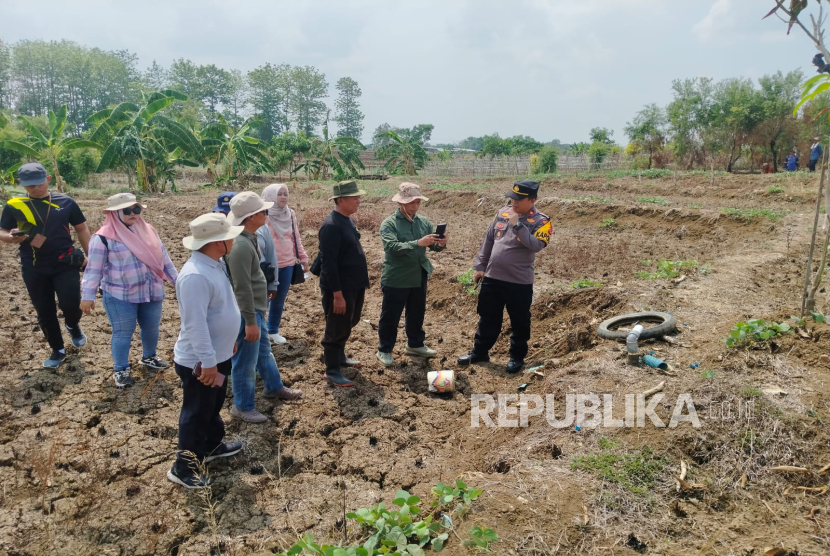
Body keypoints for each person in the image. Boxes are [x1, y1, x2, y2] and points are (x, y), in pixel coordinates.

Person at [168, 213, 244, 489]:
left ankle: (211, 447)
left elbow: (220, 310)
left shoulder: (215, 264)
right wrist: (210, 363)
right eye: (229, 236)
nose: (233, 239)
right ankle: (184, 468)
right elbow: (195, 324)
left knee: (212, 406)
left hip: (217, 354)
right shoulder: (194, 277)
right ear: (217, 242)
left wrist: (227, 342)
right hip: (200, 362)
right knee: (196, 412)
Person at [80, 193, 178, 388]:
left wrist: (178, 282)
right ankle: (121, 369)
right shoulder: (102, 239)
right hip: (120, 294)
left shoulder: (149, 230)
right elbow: (93, 270)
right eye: (127, 210)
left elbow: (164, 259)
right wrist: (87, 296)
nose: (133, 214)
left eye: (136, 209)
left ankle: (149, 357)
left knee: (151, 327)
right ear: (114, 213)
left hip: (151, 290)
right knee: (123, 332)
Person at [0, 163, 91, 368]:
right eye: (29, 185)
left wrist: (92, 257)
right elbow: (2, 230)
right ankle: (57, 349)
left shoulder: (66, 202)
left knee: (71, 304)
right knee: (44, 310)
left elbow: (81, 228)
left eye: (39, 183)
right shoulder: (14, 205)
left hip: (64, 263)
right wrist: (10, 238)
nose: (35, 188)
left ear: (48, 179)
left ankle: (72, 324)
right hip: (33, 267)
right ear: (21, 184)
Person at [457, 180, 552, 374]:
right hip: (493, 277)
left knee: (519, 322)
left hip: (519, 282)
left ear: (532, 200)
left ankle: (516, 357)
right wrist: (480, 266)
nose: (513, 202)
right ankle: (480, 352)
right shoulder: (502, 212)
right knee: (488, 317)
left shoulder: (542, 221)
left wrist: (517, 226)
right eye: (511, 198)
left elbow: (535, 246)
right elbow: (489, 239)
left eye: (518, 199)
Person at [226, 192, 302, 424]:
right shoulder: (239, 245)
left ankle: (273, 386)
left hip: (255, 309)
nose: (267, 214)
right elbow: (241, 287)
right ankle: (243, 406)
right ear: (250, 217)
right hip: (246, 312)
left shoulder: (248, 237)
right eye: (263, 212)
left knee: (263, 352)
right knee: (245, 362)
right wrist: (250, 321)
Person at [376, 183, 447, 367]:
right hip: (397, 277)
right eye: (411, 202)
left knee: (416, 313)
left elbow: (432, 246)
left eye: (417, 202)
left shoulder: (423, 222)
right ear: (401, 202)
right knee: (391, 316)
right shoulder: (389, 224)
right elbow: (392, 247)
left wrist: (440, 244)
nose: (415, 206)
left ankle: (415, 344)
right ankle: (384, 349)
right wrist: (417, 243)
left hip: (418, 275)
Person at [318, 180, 370, 387]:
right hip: (339, 287)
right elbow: (328, 264)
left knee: (350, 320)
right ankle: (331, 370)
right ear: (341, 200)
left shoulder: (347, 220)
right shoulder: (331, 226)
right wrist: (337, 295)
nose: (359, 201)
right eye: (354, 197)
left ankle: (339, 356)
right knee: (336, 326)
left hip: (354, 284)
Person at [261, 184, 309, 344]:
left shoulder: (290, 214)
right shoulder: (264, 215)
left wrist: (303, 258)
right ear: (270, 196)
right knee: (263, 299)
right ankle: (260, 331)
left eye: (285, 194)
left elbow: (295, 237)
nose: (283, 197)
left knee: (279, 299)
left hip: (288, 263)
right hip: (267, 266)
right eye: (279, 194)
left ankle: (272, 330)